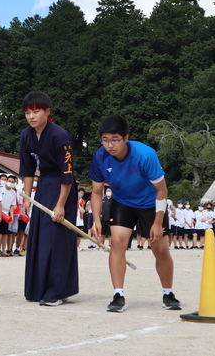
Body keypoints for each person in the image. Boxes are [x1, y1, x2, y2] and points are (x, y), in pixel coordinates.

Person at [89, 114, 180, 312]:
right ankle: (118, 295)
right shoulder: (100, 156)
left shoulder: (145, 155)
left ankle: (168, 293)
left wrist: (157, 223)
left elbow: (162, 191)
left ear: (126, 138)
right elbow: (96, 192)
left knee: (160, 249)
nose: (110, 145)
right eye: (105, 140)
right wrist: (96, 219)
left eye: (115, 139)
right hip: (122, 202)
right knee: (118, 243)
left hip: (150, 203)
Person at [19, 92, 79, 306]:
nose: (31, 116)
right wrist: (26, 198)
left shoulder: (60, 136)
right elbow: (27, 170)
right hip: (42, 186)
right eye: (27, 112)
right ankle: (39, 289)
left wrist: (61, 204)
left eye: (36, 111)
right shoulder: (26, 135)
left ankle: (57, 291)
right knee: (39, 238)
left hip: (62, 188)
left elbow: (67, 173)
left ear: (47, 112)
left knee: (56, 238)